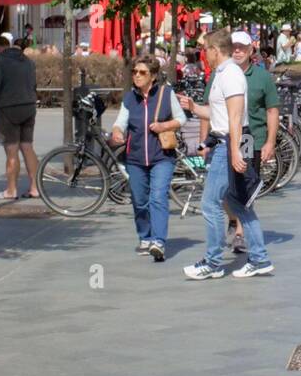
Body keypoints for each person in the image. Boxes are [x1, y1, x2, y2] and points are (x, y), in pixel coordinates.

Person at [179, 29, 273, 279]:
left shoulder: (229, 74)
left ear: (215, 50)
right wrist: (195, 108)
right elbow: (220, 114)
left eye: (205, 49)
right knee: (238, 202)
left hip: (230, 141)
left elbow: (234, 116)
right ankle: (260, 258)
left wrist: (234, 151)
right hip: (231, 139)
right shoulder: (224, 73)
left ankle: (213, 262)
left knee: (211, 204)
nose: (203, 54)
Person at [198, 31, 279, 255]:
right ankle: (252, 248)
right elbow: (212, 110)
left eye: (242, 47)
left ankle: (238, 239)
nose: (237, 51)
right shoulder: (219, 74)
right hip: (227, 139)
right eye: (234, 47)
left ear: (251, 51)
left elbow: (271, 110)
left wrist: (269, 141)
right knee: (230, 197)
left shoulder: (258, 76)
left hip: (247, 139)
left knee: (238, 194)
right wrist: (203, 142)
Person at [110, 56, 185, 260]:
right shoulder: (129, 98)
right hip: (134, 157)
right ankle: (145, 236)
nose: (137, 76)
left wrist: (164, 126)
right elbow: (120, 122)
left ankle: (158, 241)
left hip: (162, 155)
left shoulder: (166, 94)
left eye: (142, 72)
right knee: (139, 200)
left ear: (152, 76)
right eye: (134, 72)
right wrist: (117, 132)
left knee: (158, 197)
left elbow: (181, 118)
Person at [0, 35, 39, 199]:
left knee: (11, 151)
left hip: (8, 109)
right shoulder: (28, 62)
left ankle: (11, 190)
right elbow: (34, 85)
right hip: (29, 106)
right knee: (27, 147)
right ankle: (35, 187)